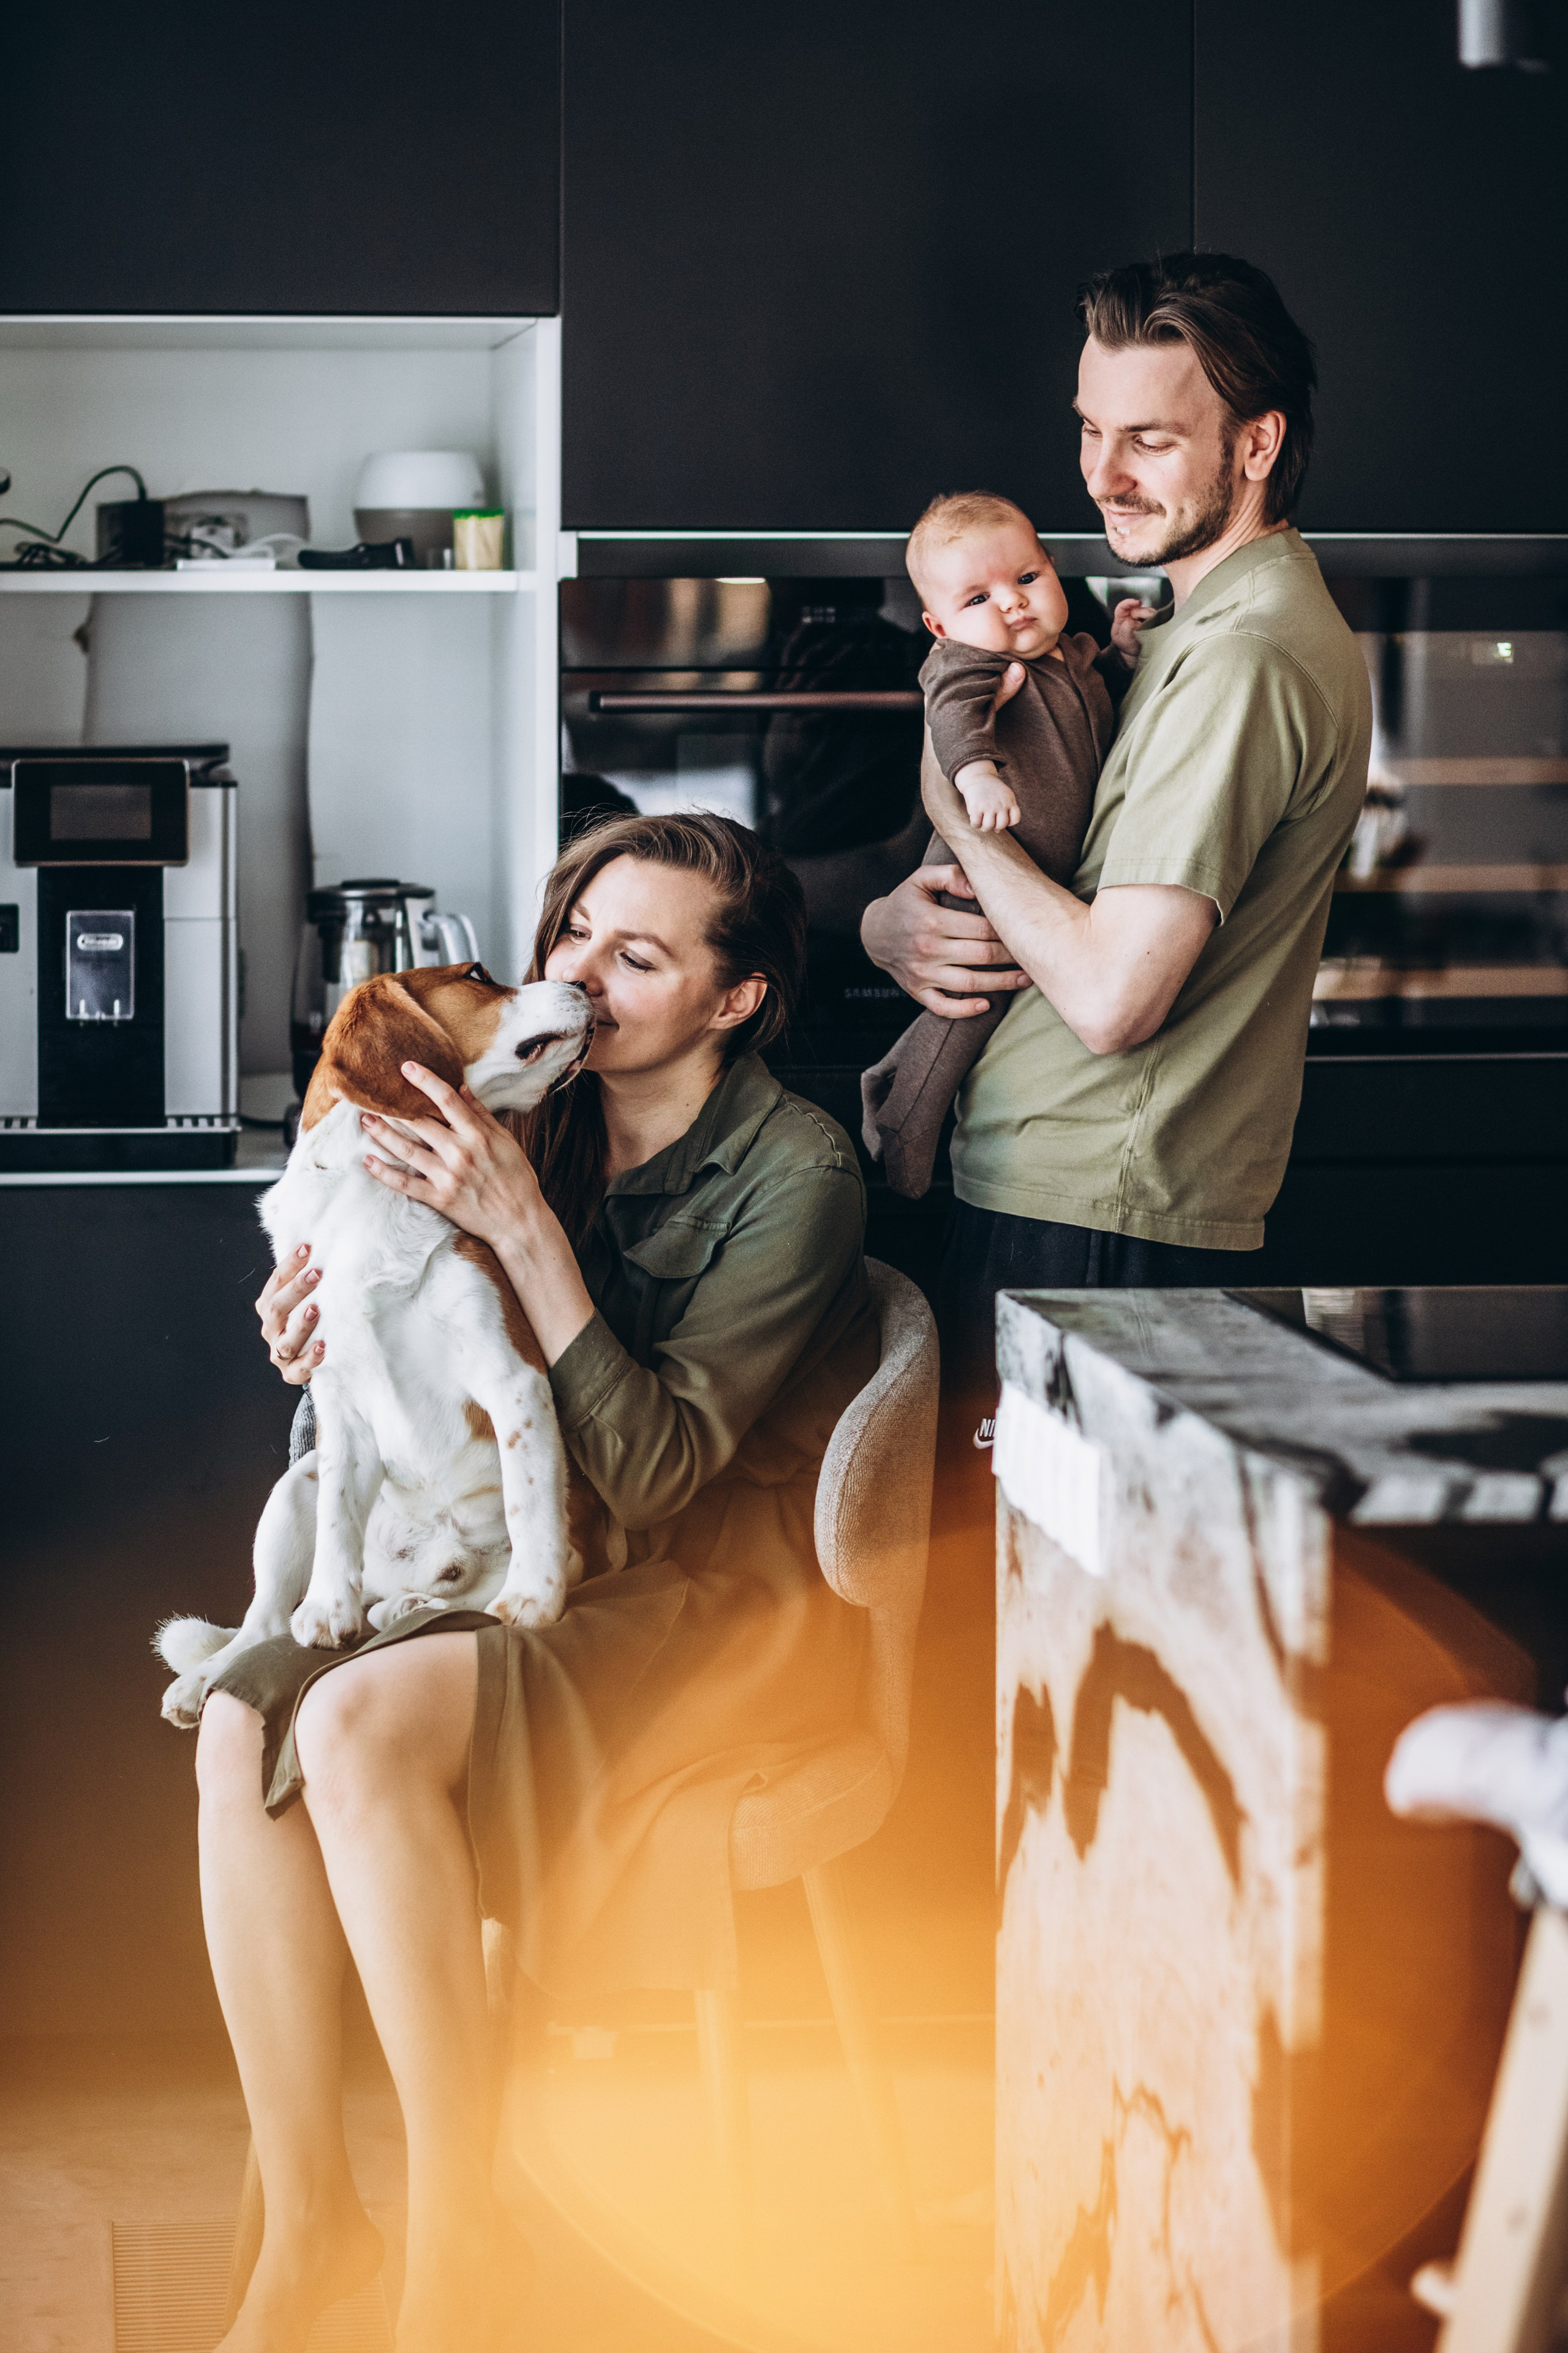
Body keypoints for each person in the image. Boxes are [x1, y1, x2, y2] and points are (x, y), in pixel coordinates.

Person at [195, 812, 876, 2353]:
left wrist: (520, 1230)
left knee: (359, 1725)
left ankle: (457, 2251)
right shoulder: (532, 1101)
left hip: (704, 1600)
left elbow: (648, 1482)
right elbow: (402, 1355)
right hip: (519, 1554)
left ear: (734, 998)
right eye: (572, 932)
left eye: (636, 955)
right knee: (244, 1722)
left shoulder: (797, 1169)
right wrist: (315, 1328)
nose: (579, 973)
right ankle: (316, 2226)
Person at [859, 252, 1373, 1436]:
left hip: (1101, 1213)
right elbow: (1069, 848)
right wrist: (903, 918)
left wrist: (959, 828)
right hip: (1076, 1195)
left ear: (1255, 445)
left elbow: (1108, 997)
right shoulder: (1193, 630)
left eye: (1148, 439)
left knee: (1050, 1606)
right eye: (1091, 430)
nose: (1100, 476)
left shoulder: (1244, 659)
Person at [860, 491, 1148, 1198]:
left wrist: (1122, 654)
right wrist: (976, 775)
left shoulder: (1071, 655)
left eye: (1026, 579)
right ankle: (903, 1120)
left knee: (985, 1003)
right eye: (978, 597)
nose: (1012, 605)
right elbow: (953, 715)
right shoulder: (965, 664)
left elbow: (1104, 701)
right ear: (939, 624)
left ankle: (890, 1083)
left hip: (1038, 870)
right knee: (967, 1009)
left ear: (1052, 569)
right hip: (980, 866)